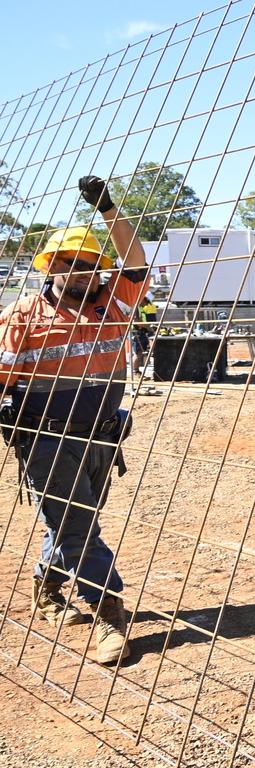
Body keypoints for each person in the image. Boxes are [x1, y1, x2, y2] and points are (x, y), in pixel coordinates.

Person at [0, 175, 149, 665]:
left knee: (75, 519)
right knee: (76, 520)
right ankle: (109, 610)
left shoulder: (117, 304)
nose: (85, 273)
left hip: (102, 435)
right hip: (43, 437)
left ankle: (47, 582)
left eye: (91, 265)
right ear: (52, 267)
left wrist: (108, 209)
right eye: (73, 265)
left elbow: (136, 262)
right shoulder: (22, 315)